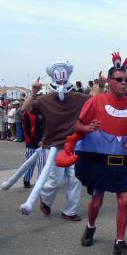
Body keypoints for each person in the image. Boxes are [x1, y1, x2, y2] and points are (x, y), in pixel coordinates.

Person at [65, 52, 127, 255]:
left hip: (123, 161)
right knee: (97, 199)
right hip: (98, 161)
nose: (124, 83)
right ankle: (91, 226)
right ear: (109, 82)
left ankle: (119, 242)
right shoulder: (96, 100)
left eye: (126, 79)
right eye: (119, 79)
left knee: (124, 200)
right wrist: (86, 127)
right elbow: (76, 124)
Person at [21, 61, 89, 221]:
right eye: (58, 80)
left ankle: (69, 211)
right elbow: (24, 109)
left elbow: (96, 101)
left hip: (74, 145)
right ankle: (45, 200)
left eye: (64, 80)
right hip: (52, 147)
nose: (61, 83)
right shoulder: (45, 99)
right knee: (55, 181)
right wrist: (33, 93)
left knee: (76, 179)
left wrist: (99, 86)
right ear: (53, 78)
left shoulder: (78, 97)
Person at [21, 110, 45, 188]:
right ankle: (26, 180)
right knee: (30, 163)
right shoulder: (27, 114)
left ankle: (40, 182)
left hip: (43, 143)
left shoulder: (44, 111)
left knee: (42, 164)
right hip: (32, 143)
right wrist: (37, 141)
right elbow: (26, 130)